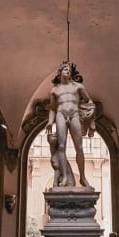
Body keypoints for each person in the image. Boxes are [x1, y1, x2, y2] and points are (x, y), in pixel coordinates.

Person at [46, 61, 95, 189]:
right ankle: (65, 177)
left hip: (74, 114)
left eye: (69, 70)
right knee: (61, 146)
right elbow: (52, 108)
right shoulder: (55, 90)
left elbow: (89, 101)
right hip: (61, 114)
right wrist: (50, 122)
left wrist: (91, 115)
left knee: (79, 146)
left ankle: (83, 177)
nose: (68, 71)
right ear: (60, 72)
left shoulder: (78, 87)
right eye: (65, 69)